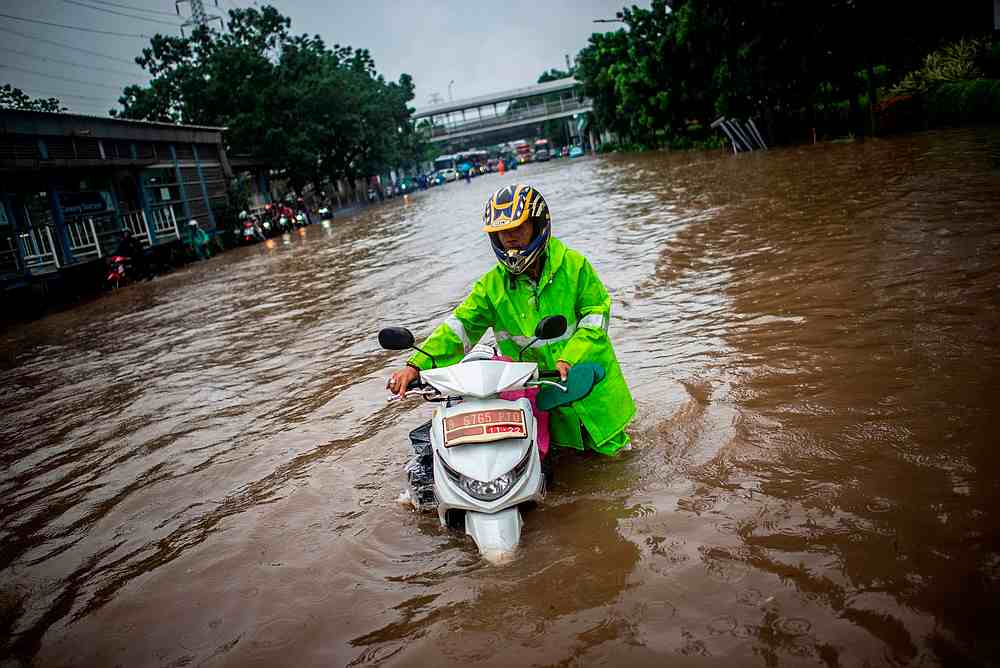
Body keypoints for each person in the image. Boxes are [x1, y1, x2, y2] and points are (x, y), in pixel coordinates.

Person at [387, 184, 635, 456]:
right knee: (558, 473)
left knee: (620, 468)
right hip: (545, 403)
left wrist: (570, 357)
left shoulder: (575, 267)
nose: (510, 238)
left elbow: (595, 319)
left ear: (537, 225)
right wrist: (415, 365)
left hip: (593, 394)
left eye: (517, 228)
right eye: (502, 232)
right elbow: (459, 328)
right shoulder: (491, 287)